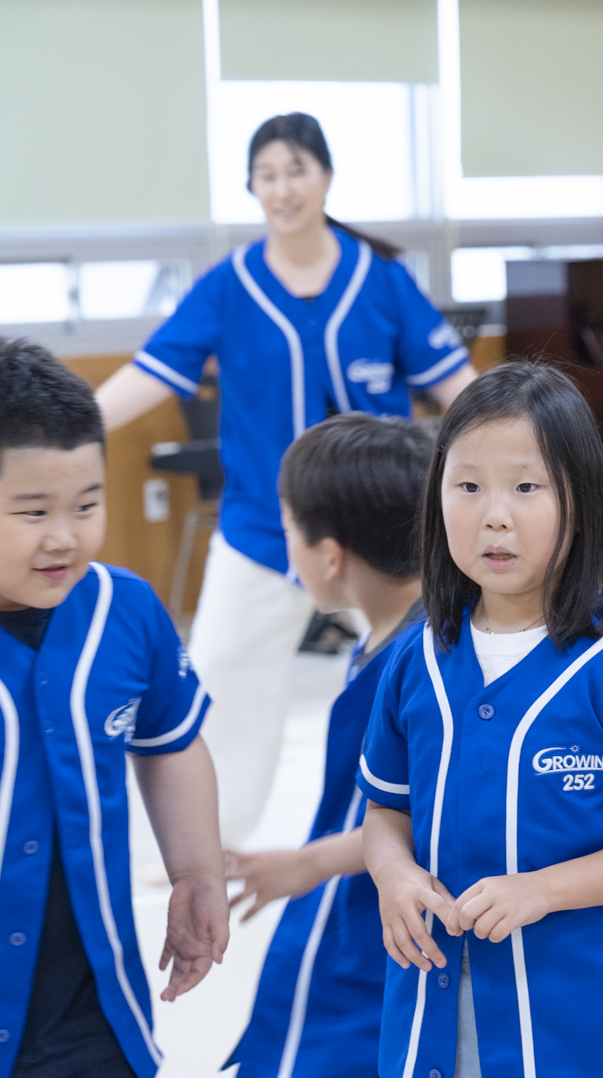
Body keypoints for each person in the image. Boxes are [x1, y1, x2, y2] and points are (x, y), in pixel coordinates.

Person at [93, 113, 476, 847]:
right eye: (266, 175)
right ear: (251, 187)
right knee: (218, 688)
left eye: (296, 170)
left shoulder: (381, 280)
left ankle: (450, 826)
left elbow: (457, 385)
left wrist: (527, 443)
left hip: (386, 532)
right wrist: (72, 423)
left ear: (326, 177)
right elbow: (152, 371)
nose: (282, 188)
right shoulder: (228, 286)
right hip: (262, 529)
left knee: (432, 673)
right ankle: (205, 847)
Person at [356, 362, 603, 1078]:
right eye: (467, 486)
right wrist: (392, 873)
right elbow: (385, 812)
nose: (495, 515)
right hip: (439, 1026)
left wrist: (541, 890)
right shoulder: (413, 657)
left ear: (581, 499)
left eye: (526, 487)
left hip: (594, 1036)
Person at [0, 339, 227, 1078]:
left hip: (99, 1013)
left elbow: (170, 742)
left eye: (86, 505)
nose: (64, 537)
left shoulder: (125, 608)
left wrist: (197, 872)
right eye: (32, 511)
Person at [224, 413, 431, 1078]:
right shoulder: (395, 637)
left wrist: (308, 863)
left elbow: (426, 816)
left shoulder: (414, 665)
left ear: (331, 556)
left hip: (372, 931)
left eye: (288, 528)